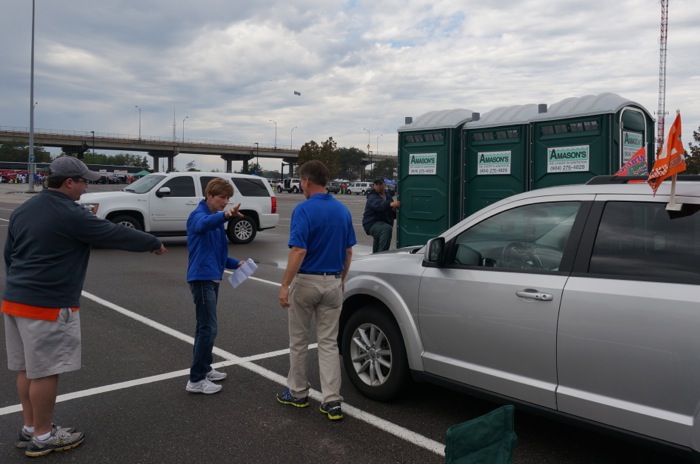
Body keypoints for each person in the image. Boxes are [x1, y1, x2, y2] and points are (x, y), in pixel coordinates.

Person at [2, 156, 167, 457]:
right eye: (83, 181)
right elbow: (114, 233)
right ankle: (43, 435)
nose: (86, 186)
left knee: (27, 368)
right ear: (68, 182)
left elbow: (9, 254)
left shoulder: (23, 210)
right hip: (47, 304)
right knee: (45, 372)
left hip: (15, 300)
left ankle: (30, 427)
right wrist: (151, 242)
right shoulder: (70, 213)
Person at [276, 160, 356, 420]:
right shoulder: (342, 210)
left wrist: (285, 284)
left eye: (301, 182)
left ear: (307, 181)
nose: (301, 186)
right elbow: (348, 250)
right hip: (333, 281)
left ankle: (298, 393)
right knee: (329, 343)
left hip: (307, 281)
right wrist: (342, 279)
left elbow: (298, 250)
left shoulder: (303, 210)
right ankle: (332, 401)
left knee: (299, 341)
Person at [186, 177, 249, 395]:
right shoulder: (198, 216)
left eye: (228, 199)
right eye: (222, 197)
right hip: (202, 279)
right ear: (209, 195)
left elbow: (219, 254)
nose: (225, 202)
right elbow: (202, 225)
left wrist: (237, 263)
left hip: (212, 277)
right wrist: (226, 215)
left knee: (204, 328)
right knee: (208, 328)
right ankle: (195, 380)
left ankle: (204, 369)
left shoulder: (214, 218)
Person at [361, 178, 400, 253]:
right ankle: (382, 256)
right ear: (374, 186)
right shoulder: (371, 196)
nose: (378, 186)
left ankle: (375, 258)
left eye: (380, 184)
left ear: (384, 185)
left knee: (378, 241)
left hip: (381, 224)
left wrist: (394, 209)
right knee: (386, 229)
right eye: (376, 184)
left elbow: (390, 212)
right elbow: (379, 205)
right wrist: (390, 204)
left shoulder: (388, 196)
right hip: (371, 223)